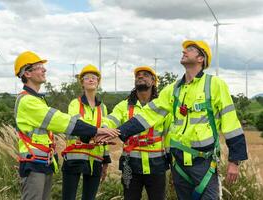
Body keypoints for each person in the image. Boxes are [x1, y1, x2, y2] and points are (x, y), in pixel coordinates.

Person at [114, 40, 248, 200]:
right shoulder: (173, 89)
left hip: (204, 163)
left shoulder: (215, 85)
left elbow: (231, 123)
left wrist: (234, 161)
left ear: (201, 58)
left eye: (190, 49)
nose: (184, 51)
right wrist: (118, 131)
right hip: (179, 165)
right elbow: (149, 114)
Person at [14, 51, 119, 200]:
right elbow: (62, 121)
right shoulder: (28, 101)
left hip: (43, 163)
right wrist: (96, 130)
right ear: (27, 73)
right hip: (34, 163)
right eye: (39, 67)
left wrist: (105, 156)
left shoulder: (37, 100)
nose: (44, 69)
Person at [104, 66, 171, 200]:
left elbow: (169, 135)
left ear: (153, 82)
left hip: (156, 166)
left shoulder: (161, 107)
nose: (140, 76)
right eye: (138, 75)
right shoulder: (123, 106)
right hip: (130, 166)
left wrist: (172, 161)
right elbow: (111, 119)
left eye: (145, 75)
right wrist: (103, 128)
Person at [61, 64, 111, 200]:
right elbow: (78, 126)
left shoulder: (103, 108)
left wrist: (105, 160)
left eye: (94, 77)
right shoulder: (74, 104)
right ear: (82, 83)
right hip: (74, 158)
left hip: (95, 159)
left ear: (98, 82)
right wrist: (96, 135)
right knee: (68, 197)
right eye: (87, 77)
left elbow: (105, 134)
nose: (91, 80)